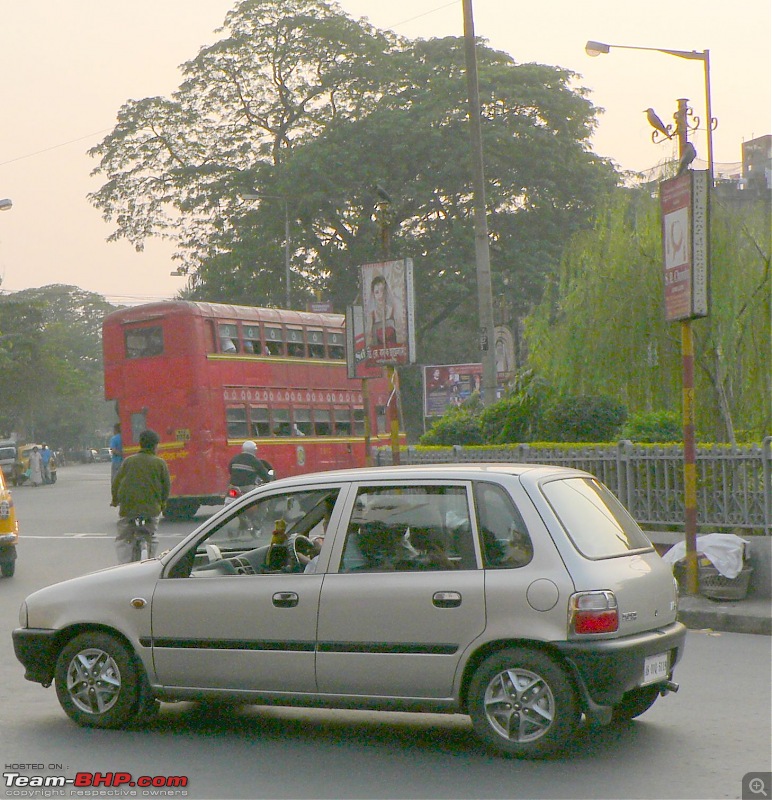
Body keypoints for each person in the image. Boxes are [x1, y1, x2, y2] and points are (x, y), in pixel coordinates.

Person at [111, 429, 171, 564]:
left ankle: (123, 566)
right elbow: (166, 487)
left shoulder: (128, 461)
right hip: (152, 509)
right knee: (153, 535)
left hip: (128, 508)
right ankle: (150, 559)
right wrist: (163, 504)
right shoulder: (160, 463)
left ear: (140, 444)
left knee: (123, 537)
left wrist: (115, 500)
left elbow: (116, 482)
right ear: (156, 445)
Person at [366, 274, 398, 349]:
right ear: (373, 294)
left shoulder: (391, 310)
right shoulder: (372, 314)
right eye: (377, 292)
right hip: (377, 354)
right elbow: (369, 336)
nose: (380, 295)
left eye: (382, 291)